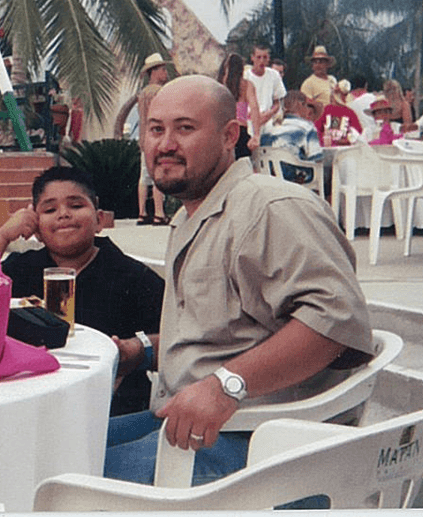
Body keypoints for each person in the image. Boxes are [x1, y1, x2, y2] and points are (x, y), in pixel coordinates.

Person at [104, 75, 372, 487]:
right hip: (185, 421)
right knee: (52, 447)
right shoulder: (191, 215)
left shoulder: (270, 208)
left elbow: (335, 321)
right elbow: (224, 336)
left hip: (259, 443)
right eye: (156, 129)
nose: (165, 144)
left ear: (230, 135)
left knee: (55, 476)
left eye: (185, 128)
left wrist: (226, 386)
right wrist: (140, 351)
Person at [0, 166, 165, 415]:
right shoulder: (23, 268)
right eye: (49, 210)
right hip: (27, 405)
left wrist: (135, 349)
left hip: (110, 411)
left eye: (76, 206)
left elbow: (176, 342)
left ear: (100, 220)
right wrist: (4, 235)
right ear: (36, 228)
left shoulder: (133, 277)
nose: (63, 215)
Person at [258, 90, 324, 183]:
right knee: (328, 176)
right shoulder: (307, 127)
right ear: (301, 105)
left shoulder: (268, 129)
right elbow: (316, 158)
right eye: (307, 106)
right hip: (295, 179)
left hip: (270, 179)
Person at [137, 53, 172, 225]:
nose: (165, 73)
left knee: (144, 175)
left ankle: (142, 213)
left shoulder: (143, 93)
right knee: (159, 172)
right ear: (154, 71)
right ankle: (159, 213)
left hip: (144, 137)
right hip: (156, 135)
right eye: (163, 69)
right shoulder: (159, 92)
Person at [243, 44, 286, 152]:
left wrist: (268, 114)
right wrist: (254, 118)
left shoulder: (274, 75)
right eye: (258, 57)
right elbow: (240, 103)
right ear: (252, 58)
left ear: (268, 59)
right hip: (249, 120)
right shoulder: (245, 76)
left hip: (268, 119)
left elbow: (278, 102)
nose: (261, 61)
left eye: (265, 57)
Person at [217, 53, 256, 159]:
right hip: (240, 130)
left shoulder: (218, 87)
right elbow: (254, 109)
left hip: (222, 130)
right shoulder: (246, 85)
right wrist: (256, 135)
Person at [299, 46, 341, 117]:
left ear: (327, 64)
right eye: (315, 62)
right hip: (319, 120)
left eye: (321, 62)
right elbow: (305, 105)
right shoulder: (308, 83)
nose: (318, 65)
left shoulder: (332, 79)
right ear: (312, 65)